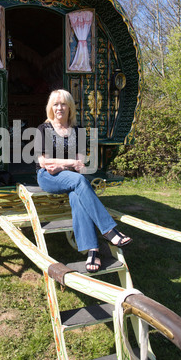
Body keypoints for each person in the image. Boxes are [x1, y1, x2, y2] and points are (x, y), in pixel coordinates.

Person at [34, 89, 132, 273]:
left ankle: (92, 250)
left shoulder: (77, 131)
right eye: (55, 104)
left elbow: (80, 164)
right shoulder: (43, 129)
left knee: (77, 197)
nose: (59, 108)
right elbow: (44, 162)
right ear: (50, 107)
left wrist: (62, 165)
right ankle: (109, 230)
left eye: (63, 104)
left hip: (70, 177)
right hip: (47, 177)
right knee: (79, 182)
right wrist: (69, 162)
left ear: (70, 106)